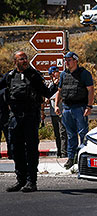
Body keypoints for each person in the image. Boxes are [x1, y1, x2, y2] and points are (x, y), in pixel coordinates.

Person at [0, 51, 56, 192]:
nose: (25, 61)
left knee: (31, 149)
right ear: (15, 61)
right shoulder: (10, 76)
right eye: (21, 59)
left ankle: (32, 181)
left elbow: (46, 93)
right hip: (15, 118)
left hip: (30, 116)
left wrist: (55, 85)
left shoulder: (34, 75)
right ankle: (21, 180)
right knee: (15, 149)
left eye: (26, 58)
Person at [55, 51, 94, 170]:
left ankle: (82, 157)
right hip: (66, 108)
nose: (67, 62)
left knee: (82, 134)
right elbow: (60, 91)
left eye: (69, 60)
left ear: (75, 60)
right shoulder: (63, 74)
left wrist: (89, 106)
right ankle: (71, 158)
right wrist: (57, 105)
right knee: (70, 135)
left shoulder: (84, 74)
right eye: (65, 60)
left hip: (80, 108)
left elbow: (90, 90)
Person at [45, 66, 67, 159]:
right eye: (51, 74)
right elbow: (47, 95)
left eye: (55, 73)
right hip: (53, 112)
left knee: (63, 132)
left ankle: (64, 152)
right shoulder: (50, 85)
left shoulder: (63, 82)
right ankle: (59, 151)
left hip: (62, 111)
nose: (53, 75)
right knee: (57, 133)